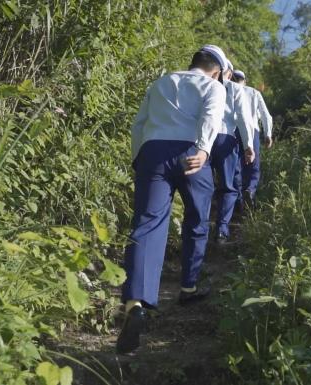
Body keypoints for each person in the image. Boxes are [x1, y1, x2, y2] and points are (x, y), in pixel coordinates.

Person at [117, 45, 229, 355]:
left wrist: (139, 157)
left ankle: (135, 302)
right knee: (196, 219)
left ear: (193, 62)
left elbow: (139, 124)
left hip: (153, 152)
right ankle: (188, 286)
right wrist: (204, 149)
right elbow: (211, 117)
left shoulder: (161, 82)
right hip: (192, 152)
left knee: (147, 224)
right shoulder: (213, 87)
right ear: (217, 71)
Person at [211, 61, 255, 244]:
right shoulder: (235, 89)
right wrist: (248, 146)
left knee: (203, 186)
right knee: (228, 187)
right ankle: (221, 229)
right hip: (225, 137)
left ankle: (199, 226)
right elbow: (244, 119)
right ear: (227, 72)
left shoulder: (204, 84)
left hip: (200, 139)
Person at [232, 70, 273, 208]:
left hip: (232, 130)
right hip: (252, 130)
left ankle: (238, 200)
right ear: (244, 80)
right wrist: (268, 134)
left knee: (236, 165)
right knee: (253, 165)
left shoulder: (227, 89)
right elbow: (266, 116)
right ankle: (250, 190)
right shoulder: (254, 93)